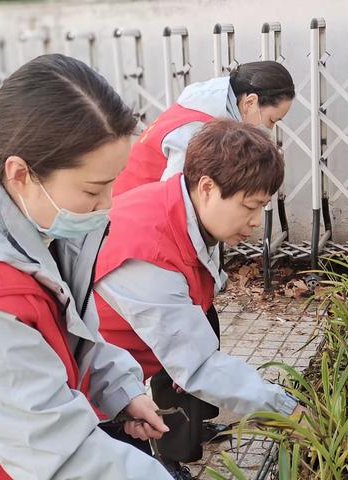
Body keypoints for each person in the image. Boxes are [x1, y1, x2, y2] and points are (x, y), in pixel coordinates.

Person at [0, 54, 173, 480]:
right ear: (20, 173)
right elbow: (57, 451)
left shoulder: (38, 222)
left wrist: (120, 389)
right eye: (92, 190)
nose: (106, 207)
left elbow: (75, 331)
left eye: (112, 185)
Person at [94, 119, 303, 479]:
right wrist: (288, 411)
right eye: (249, 206)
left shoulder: (178, 205)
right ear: (207, 186)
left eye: (262, 208)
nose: (255, 222)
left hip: (113, 380)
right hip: (81, 392)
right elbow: (198, 366)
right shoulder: (148, 250)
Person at [112, 60, 295, 195]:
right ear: (250, 102)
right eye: (271, 121)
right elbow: (171, 194)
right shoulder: (198, 128)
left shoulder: (203, 108)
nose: (269, 130)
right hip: (133, 215)